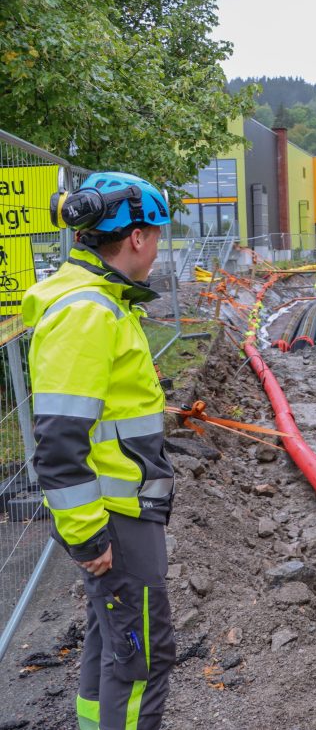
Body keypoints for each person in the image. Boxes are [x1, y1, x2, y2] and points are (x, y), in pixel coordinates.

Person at [24, 171, 176, 730]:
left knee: (111, 641)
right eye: (157, 235)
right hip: (117, 519)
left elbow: (101, 412)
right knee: (142, 660)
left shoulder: (99, 301)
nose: (158, 247)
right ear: (136, 236)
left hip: (118, 513)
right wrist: (88, 535)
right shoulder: (89, 311)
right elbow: (60, 443)